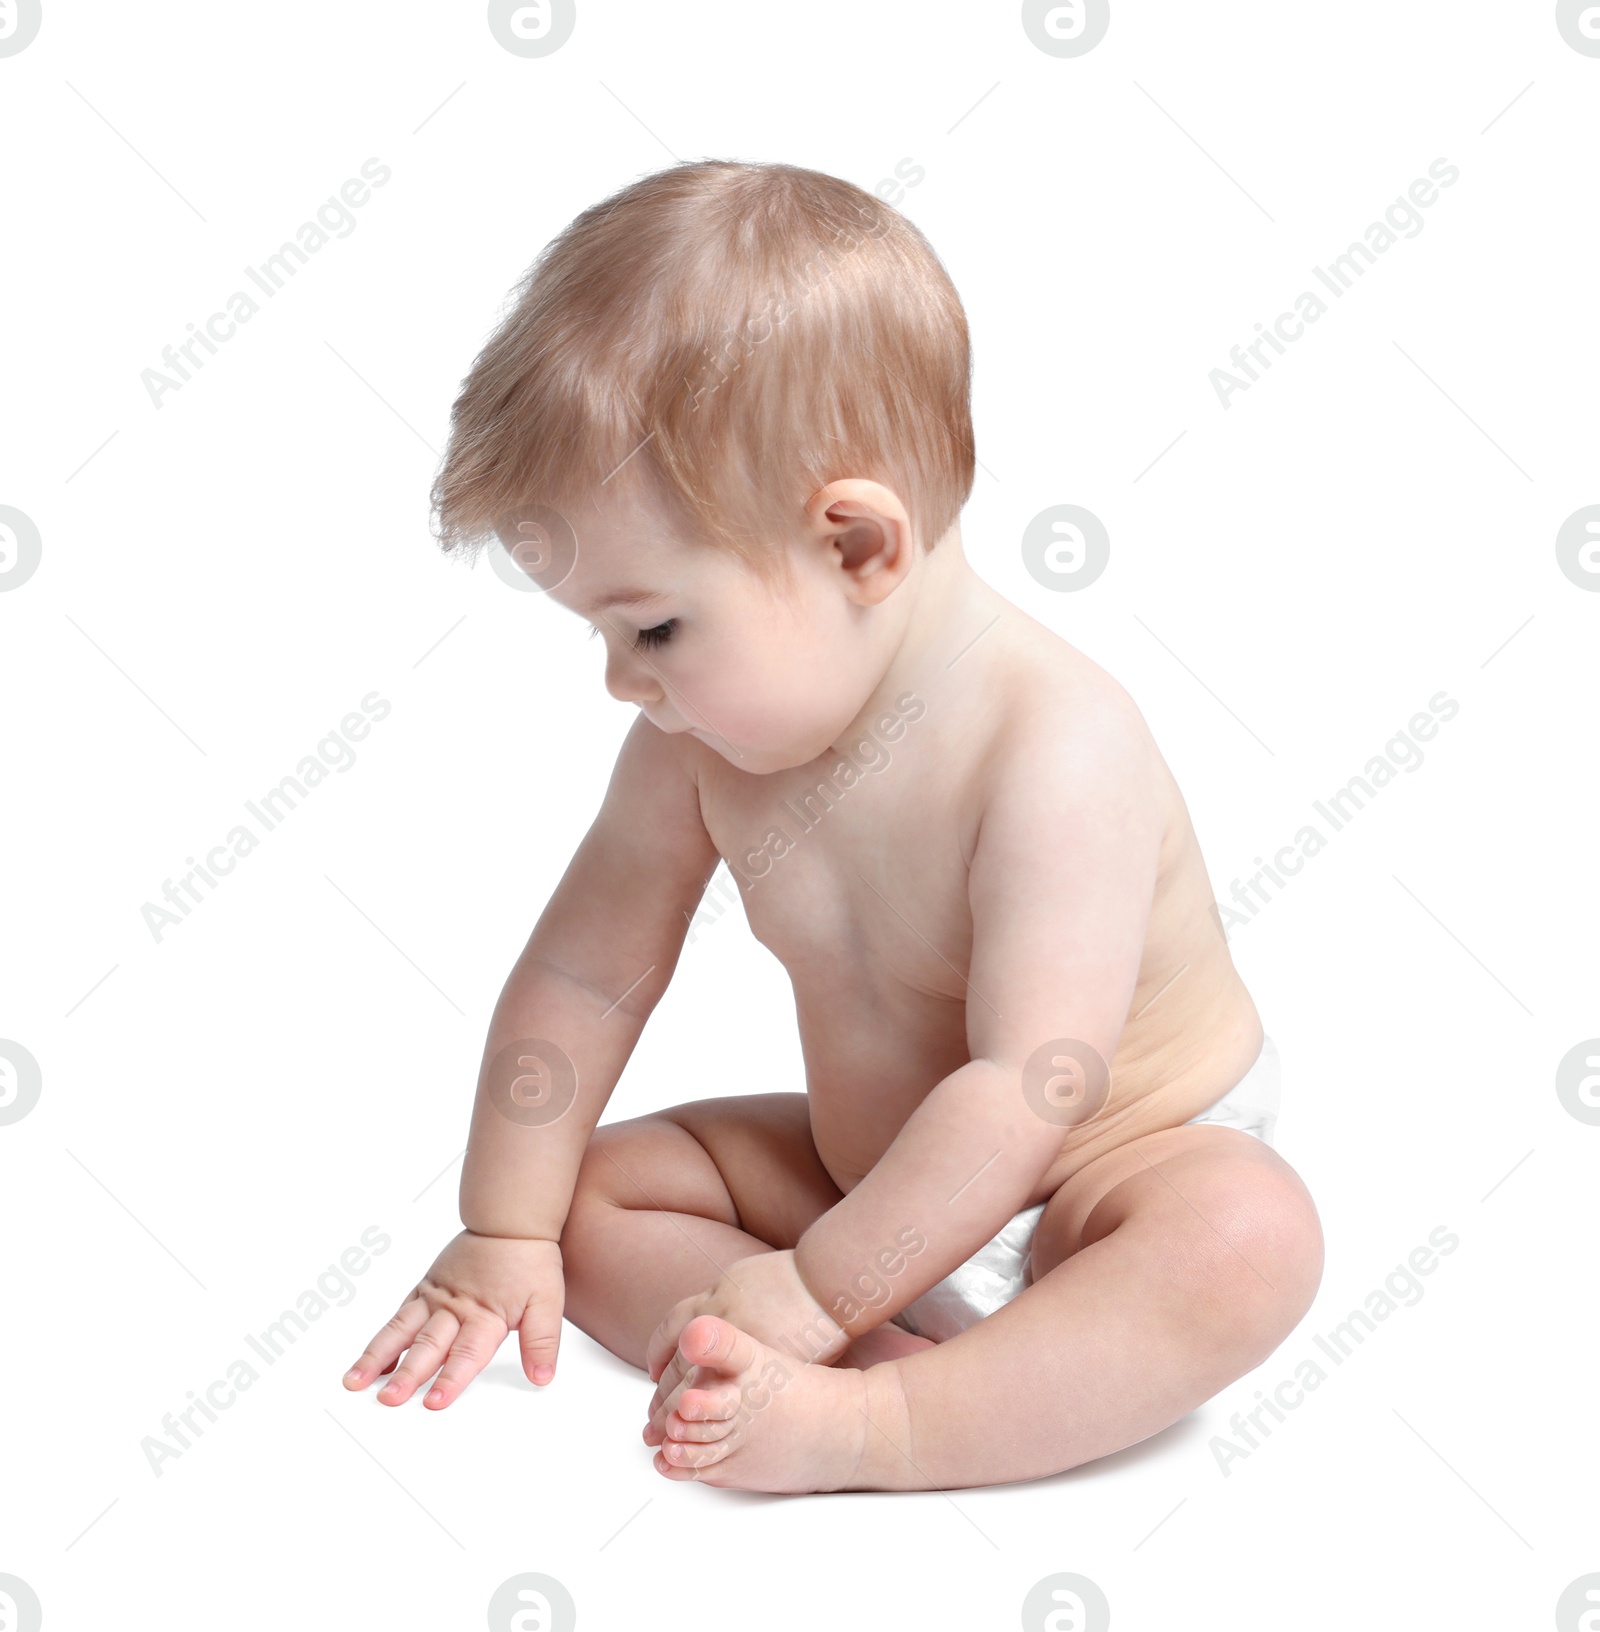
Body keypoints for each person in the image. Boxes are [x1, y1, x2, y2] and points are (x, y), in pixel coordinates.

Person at [341, 159, 1324, 1493]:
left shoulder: (1056, 748)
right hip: (862, 1183)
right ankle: (864, 1370)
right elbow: (583, 974)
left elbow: (1033, 1084)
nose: (626, 683)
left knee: (1247, 1238)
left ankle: (881, 1424)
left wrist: (813, 1283)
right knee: (590, 1188)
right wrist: (503, 1226)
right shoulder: (694, 746)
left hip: (1095, 1181)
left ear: (856, 547)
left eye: (657, 628)